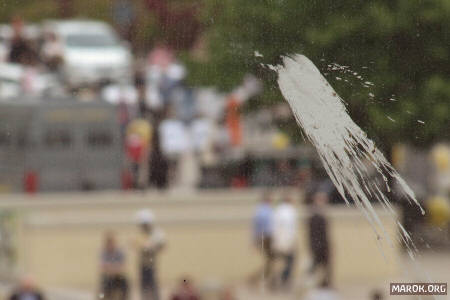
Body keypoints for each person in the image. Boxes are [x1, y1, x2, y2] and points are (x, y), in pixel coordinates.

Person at [134, 209, 166, 300]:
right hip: (143, 262)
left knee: (153, 284)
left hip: (151, 262)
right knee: (143, 285)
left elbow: (161, 245)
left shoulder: (156, 233)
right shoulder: (140, 234)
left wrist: (150, 247)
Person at [272, 193, 298, 288]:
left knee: (278, 262)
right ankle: (284, 278)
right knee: (289, 261)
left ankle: (275, 280)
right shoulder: (291, 211)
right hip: (287, 240)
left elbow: (274, 227)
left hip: (278, 240)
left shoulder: (277, 210)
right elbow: (292, 229)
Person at [248, 192, 274, 286]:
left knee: (270, 261)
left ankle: (259, 279)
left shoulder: (262, 210)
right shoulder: (263, 210)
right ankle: (256, 279)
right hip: (265, 237)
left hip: (265, 237)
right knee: (270, 260)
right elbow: (257, 227)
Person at [308, 192, 332, 286]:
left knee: (324, 266)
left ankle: (324, 283)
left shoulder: (320, 215)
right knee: (316, 266)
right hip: (318, 246)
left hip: (321, 245)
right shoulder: (315, 216)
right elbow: (313, 234)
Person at [100, 232, 128, 300]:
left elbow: (123, 266)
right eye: (109, 242)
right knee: (105, 283)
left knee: (125, 282)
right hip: (108, 277)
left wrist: (112, 268)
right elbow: (102, 266)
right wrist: (114, 268)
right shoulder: (104, 252)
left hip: (118, 277)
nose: (110, 244)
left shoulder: (119, 251)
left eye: (112, 242)